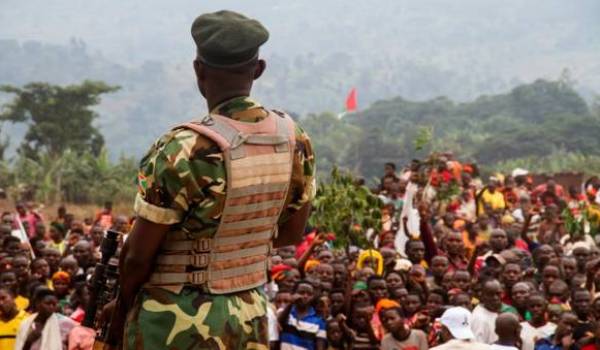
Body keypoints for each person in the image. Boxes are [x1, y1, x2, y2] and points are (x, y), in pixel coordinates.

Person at [116, 10, 315, 350]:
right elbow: (293, 233)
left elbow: (137, 256)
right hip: (250, 316)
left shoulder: (183, 147)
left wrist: (120, 314)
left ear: (198, 70)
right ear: (259, 69)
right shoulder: (294, 139)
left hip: (174, 322)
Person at [278, 281, 326, 350]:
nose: (305, 296)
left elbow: (320, 347)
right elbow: (280, 321)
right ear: (294, 294)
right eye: (301, 293)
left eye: (309, 294)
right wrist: (291, 302)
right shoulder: (286, 312)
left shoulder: (319, 321)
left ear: (313, 297)